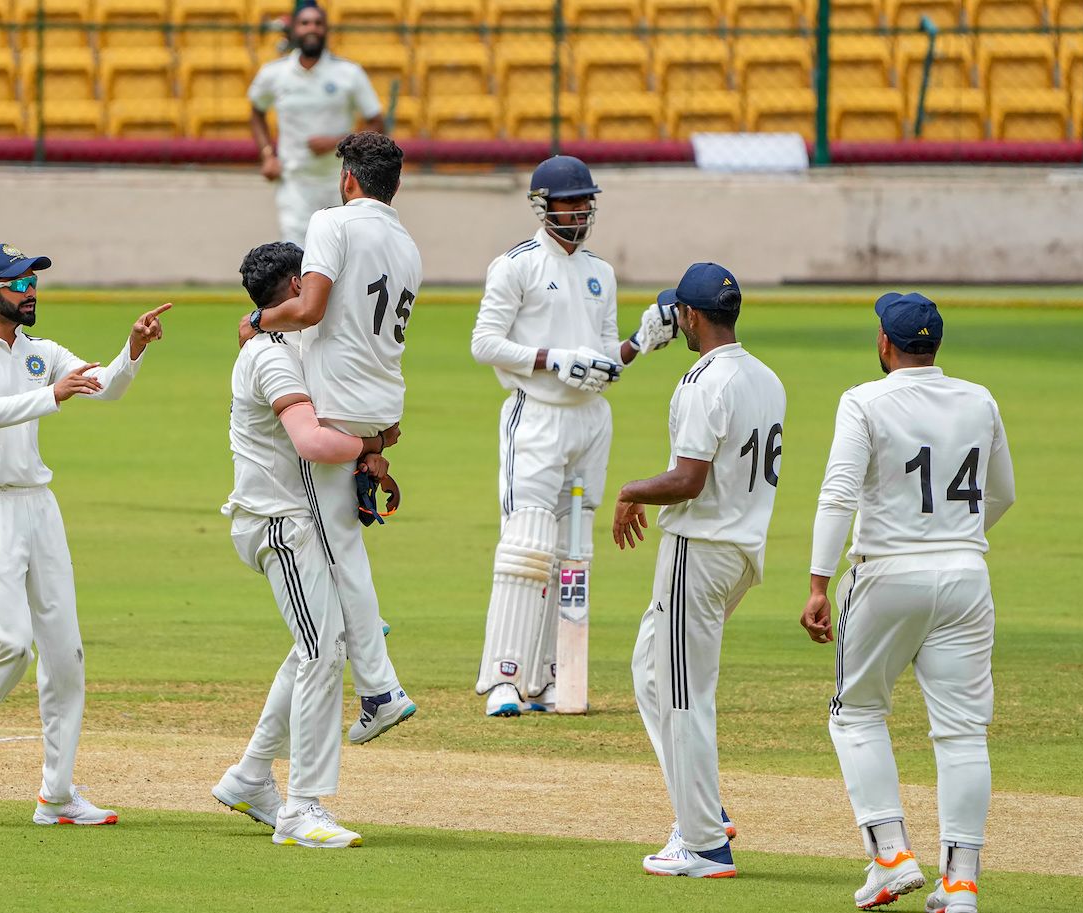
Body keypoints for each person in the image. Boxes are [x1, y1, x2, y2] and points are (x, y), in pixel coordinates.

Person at [0, 243, 171, 826]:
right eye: (18, 283)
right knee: (10, 644)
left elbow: (105, 385)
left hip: (40, 506)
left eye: (33, 281)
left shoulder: (42, 352)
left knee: (65, 655)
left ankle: (57, 795)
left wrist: (131, 349)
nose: (30, 291)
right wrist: (49, 396)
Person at [801, 293, 1015, 913]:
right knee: (963, 733)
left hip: (886, 574)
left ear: (884, 344)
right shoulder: (980, 399)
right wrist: (954, 542)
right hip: (967, 576)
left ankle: (891, 855)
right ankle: (961, 885)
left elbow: (838, 494)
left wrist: (818, 582)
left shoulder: (864, 399)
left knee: (856, 714)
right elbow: (1002, 493)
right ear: (935, 345)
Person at [469, 154, 679, 717]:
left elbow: (605, 357)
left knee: (572, 552)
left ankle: (557, 676)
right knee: (527, 544)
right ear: (543, 206)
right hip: (536, 416)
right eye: (571, 201)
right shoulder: (514, 266)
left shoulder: (600, 273)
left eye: (587, 201)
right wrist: (551, 359)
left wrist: (639, 344)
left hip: (591, 423)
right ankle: (506, 680)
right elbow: (484, 343)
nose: (581, 210)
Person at [215, 241, 399, 848]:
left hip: (303, 518)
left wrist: (371, 447)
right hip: (280, 526)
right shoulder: (270, 358)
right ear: (297, 284)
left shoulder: (289, 344)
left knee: (313, 648)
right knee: (322, 651)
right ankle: (304, 808)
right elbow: (312, 443)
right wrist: (369, 448)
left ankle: (248, 777)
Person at [238, 131, 418, 744]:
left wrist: (258, 321)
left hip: (335, 405)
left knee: (340, 557)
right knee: (346, 555)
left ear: (348, 179)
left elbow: (310, 307)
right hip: (382, 406)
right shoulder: (407, 243)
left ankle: (379, 688)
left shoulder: (331, 222)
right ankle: (370, 669)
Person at [615, 262, 786, 878]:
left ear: (688, 317)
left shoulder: (703, 381)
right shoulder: (767, 379)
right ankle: (702, 804)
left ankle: (705, 844)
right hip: (741, 552)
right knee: (649, 671)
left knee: (683, 693)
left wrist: (631, 490)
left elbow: (689, 479)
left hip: (700, 549)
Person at [248, 1, 385, 247]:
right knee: (296, 252)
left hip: (343, 181)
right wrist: (268, 155)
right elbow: (256, 112)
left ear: (326, 30)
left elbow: (376, 121)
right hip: (294, 181)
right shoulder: (274, 73)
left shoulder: (349, 73)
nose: (312, 28)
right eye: (305, 23)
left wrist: (337, 142)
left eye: (318, 23)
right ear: (293, 30)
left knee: (343, 250)